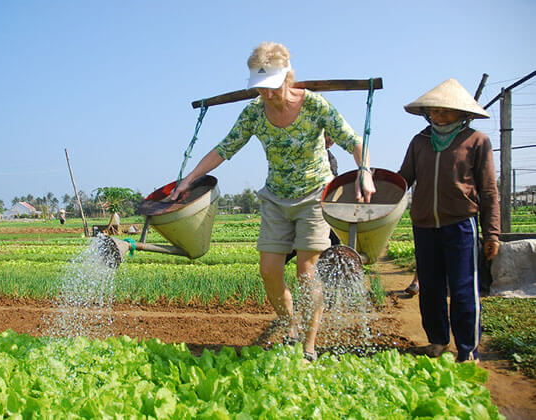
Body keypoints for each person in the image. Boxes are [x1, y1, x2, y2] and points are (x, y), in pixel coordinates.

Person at [171, 42, 376, 361]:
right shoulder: (254, 112)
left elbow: (354, 141)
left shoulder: (314, 106)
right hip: (276, 197)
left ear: (287, 77)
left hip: (312, 195)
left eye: (271, 87)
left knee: (307, 272)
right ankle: (291, 327)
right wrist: (189, 179)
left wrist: (364, 171)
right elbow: (224, 149)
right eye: (260, 87)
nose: (266, 94)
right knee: (269, 271)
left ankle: (308, 345)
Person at [397, 78, 500, 363]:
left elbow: (489, 190)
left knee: (464, 288)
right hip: (424, 225)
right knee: (430, 287)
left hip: (461, 224)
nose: (439, 115)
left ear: (462, 113)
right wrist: (376, 189)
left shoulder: (476, 141)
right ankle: (437, 341)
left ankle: (468, 349)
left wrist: (492, 233)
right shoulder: (420, 141)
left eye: (446, 110)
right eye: (434, 110)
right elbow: (404, 178)